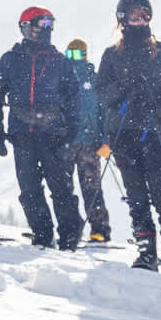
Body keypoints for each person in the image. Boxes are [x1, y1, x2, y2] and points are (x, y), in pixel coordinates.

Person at [97, 0, 161, 274]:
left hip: (153, 132)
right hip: (123, 134)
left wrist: (159, 108)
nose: (141, 20)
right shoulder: (111, 55)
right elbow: (102, 93)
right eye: (135, 15)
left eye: (145, 15)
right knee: (136, 196)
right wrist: (124, 88)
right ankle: (146, 252)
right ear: (122, 19)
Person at [0, 6, 82, 249]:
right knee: (29, 187)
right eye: (42, 23)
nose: (47, 29)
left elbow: (73, 96)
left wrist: (71, 130)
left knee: (61, 187)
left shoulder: (60, 61)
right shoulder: (10, 59)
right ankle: (42, 234)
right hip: (22, 133)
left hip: (53, 134)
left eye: (50, 23)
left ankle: (70, 236)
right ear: (26, 27)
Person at [64, 38, 113, 243]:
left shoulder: (94, 80)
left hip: (89, 142)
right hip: (66, 140)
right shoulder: (62, 77)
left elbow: (105, 111)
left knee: (91, 187)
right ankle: (70, 226)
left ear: (85, 55)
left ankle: (99, 229)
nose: (72, 58)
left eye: (76, 54)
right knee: (64, 187)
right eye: (69, 54)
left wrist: (106, 140)